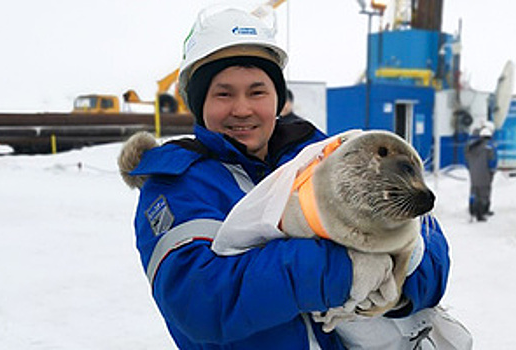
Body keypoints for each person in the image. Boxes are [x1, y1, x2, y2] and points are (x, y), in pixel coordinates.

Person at [121, 6, 450, 349]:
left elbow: (428, 248)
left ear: (277, 97)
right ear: (199, 102)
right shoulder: (175, 186)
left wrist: (402, 275)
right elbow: (201, 300)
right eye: (223, 93)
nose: (242, 108)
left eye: (257, 91)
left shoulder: (323, 156)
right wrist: (344, 271)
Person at [465, 125, 498, 221]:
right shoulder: (489, 147)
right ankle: (482, 212)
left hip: (474, 173)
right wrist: (492, 170)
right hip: (485, 173)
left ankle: (472, 210)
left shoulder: (470, 147)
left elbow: (467, 160)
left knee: (474, 191)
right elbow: (492, 160)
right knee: (484, 193)